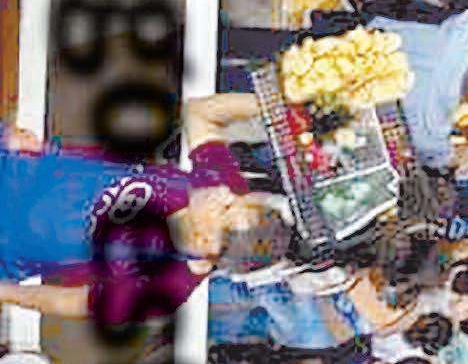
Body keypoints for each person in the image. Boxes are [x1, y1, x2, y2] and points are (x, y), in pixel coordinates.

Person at [0, 95, 289, 324]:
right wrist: (281, 103)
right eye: (236, 197)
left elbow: (77, 302)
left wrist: (7, 292)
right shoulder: (219, 185)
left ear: (207, 243)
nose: (226, 192)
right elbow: (200, 112)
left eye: (225, 208)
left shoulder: (165, 289)